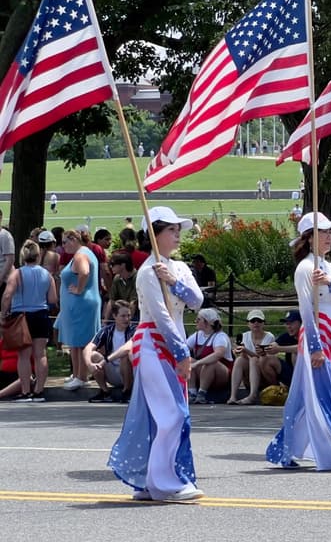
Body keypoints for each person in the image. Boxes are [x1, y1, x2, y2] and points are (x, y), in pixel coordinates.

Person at [108, 206, 205, 503]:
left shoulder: (180, 268)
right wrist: (181, 352)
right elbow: (161, 317)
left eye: (178, 230)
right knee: (171, 414)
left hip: (171, 344)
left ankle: (150, 482)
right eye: (171, 230)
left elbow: (197, 302)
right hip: (152, 345)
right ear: (155, 234)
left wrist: (174, 281)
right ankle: (166, 483)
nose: (177, 235)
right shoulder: (147, 273)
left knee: (163, 415)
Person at [267, 212, 331, 472]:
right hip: (319, 336)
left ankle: (286, 449)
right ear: (309, 237)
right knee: (326, 395)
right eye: (322, 232)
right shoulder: (304, 269)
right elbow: (306, 312)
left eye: (330, 232)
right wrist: (315, 348)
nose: (328, 237)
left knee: (308, 395)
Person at [1, 239, 57, 402]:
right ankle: (39, 390)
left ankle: (25, 391)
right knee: (40, 354)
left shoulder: (17, 273)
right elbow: (53, 298)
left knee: (23, 356)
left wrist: (4, 313)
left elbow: (7, 295)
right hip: (41, 314)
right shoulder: (47, 274)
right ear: (38, 255)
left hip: (21, 316)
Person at [54, 228, 102, 391]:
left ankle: (80, 377)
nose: (63, 246)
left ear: (74, 239)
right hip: (81, 304)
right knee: (77, 342)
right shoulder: (86, 252)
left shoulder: (80, 255)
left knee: (79, 342)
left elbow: (84, 272)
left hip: (81, 304)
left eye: (65, 242)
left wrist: (79, 289)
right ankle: (78, 374)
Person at [85, 301, 136, 402]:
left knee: (125, 356)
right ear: (114, 316)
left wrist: (105, 360)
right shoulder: (106, 330)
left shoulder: (135, 331)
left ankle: (127, 392)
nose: (127, 319)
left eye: (129, 316)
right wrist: (89, 364)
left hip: (130, 372)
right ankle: (105, 392)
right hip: (112, 371)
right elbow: (88, 347)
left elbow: (126, 349)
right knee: (93, 355)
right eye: (123, 316)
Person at [228, 309, 276, 405]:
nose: (256, 323)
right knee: (239, 360)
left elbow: (262, 358)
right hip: (249, 376)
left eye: (259, 321)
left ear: (263, 323)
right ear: (248, 324)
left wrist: (246, 351)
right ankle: (233, 395)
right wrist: (239, 352)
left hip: (265, 375)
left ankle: (252, 395)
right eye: (253, 321)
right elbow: (244, 357)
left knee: (254, 360)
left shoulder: (269, 337)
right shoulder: (244, 336)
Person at [186, 308, 232, 404]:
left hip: (221, 375)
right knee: (187, 360)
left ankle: (202, 393)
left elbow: (218, 354)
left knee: (211, 363)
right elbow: (184, 348)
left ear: (207, 323)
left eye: (199, 320)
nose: (196, 321)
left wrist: (198, 363)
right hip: (203, 371)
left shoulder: (220, 336)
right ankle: (192, 392)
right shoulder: (197, 335)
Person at [262, 310, 303, 389]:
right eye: (287, 323)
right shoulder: (287, 336)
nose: (288, 326)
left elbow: (302, 347)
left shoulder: (307, 335)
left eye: (291, 323)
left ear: (301, 323)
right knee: (265, 359)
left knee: (295, 354)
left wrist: (280, 349)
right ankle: (277, 390)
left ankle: (298, 387)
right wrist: (265, 349)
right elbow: (274, 345)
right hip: (290, 372)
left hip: (306, 375)